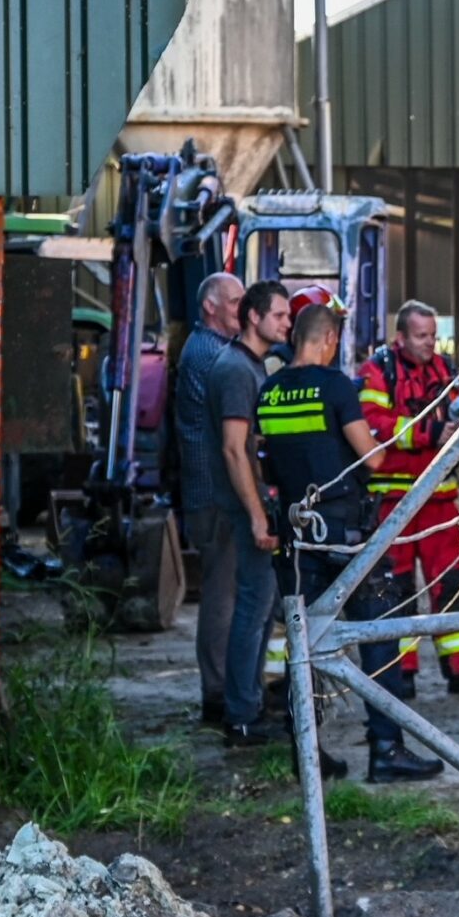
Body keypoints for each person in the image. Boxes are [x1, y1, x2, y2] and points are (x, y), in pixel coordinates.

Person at [257, 305, 444, 783]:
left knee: (303, 645)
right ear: (330, 339)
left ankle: (306, 755)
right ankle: (386, 749)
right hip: (345, 536)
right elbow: (374, 459)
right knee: (378, 635)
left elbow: (266, 463)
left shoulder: (270, 391)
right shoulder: (337, 386)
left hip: (297, 539)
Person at [358, 301, 459, 696]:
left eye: (433, 335)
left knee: (453, 584)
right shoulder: (377, 371)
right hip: (393, 503)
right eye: (421, 336)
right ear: (400, 337)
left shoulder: (446, 371)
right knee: (395, 589)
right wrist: (430, 433)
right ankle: (400, 674)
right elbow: (373, 425)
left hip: (438, 499)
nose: (430, 343)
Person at [174, 274, 267, 734]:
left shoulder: (208, 349)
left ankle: (229, 688)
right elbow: (235, 443)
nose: (242, 307)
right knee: (224, 595)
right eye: (234, 302)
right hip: (215, 494)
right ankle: (218, 692)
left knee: (230, 592)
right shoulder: (216, 357)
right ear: (211, 307)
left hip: (212, 491)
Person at [213, 280, 291, 737]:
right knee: (252, 606)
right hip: (246, 509)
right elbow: (233, 449)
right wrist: (258, 514)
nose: (287, 322)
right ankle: (242, 715)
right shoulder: (237, 371)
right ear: (253, 316)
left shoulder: (254, 366)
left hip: (257, 503)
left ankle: (251, 703)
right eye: (279, 315)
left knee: (262, 607)